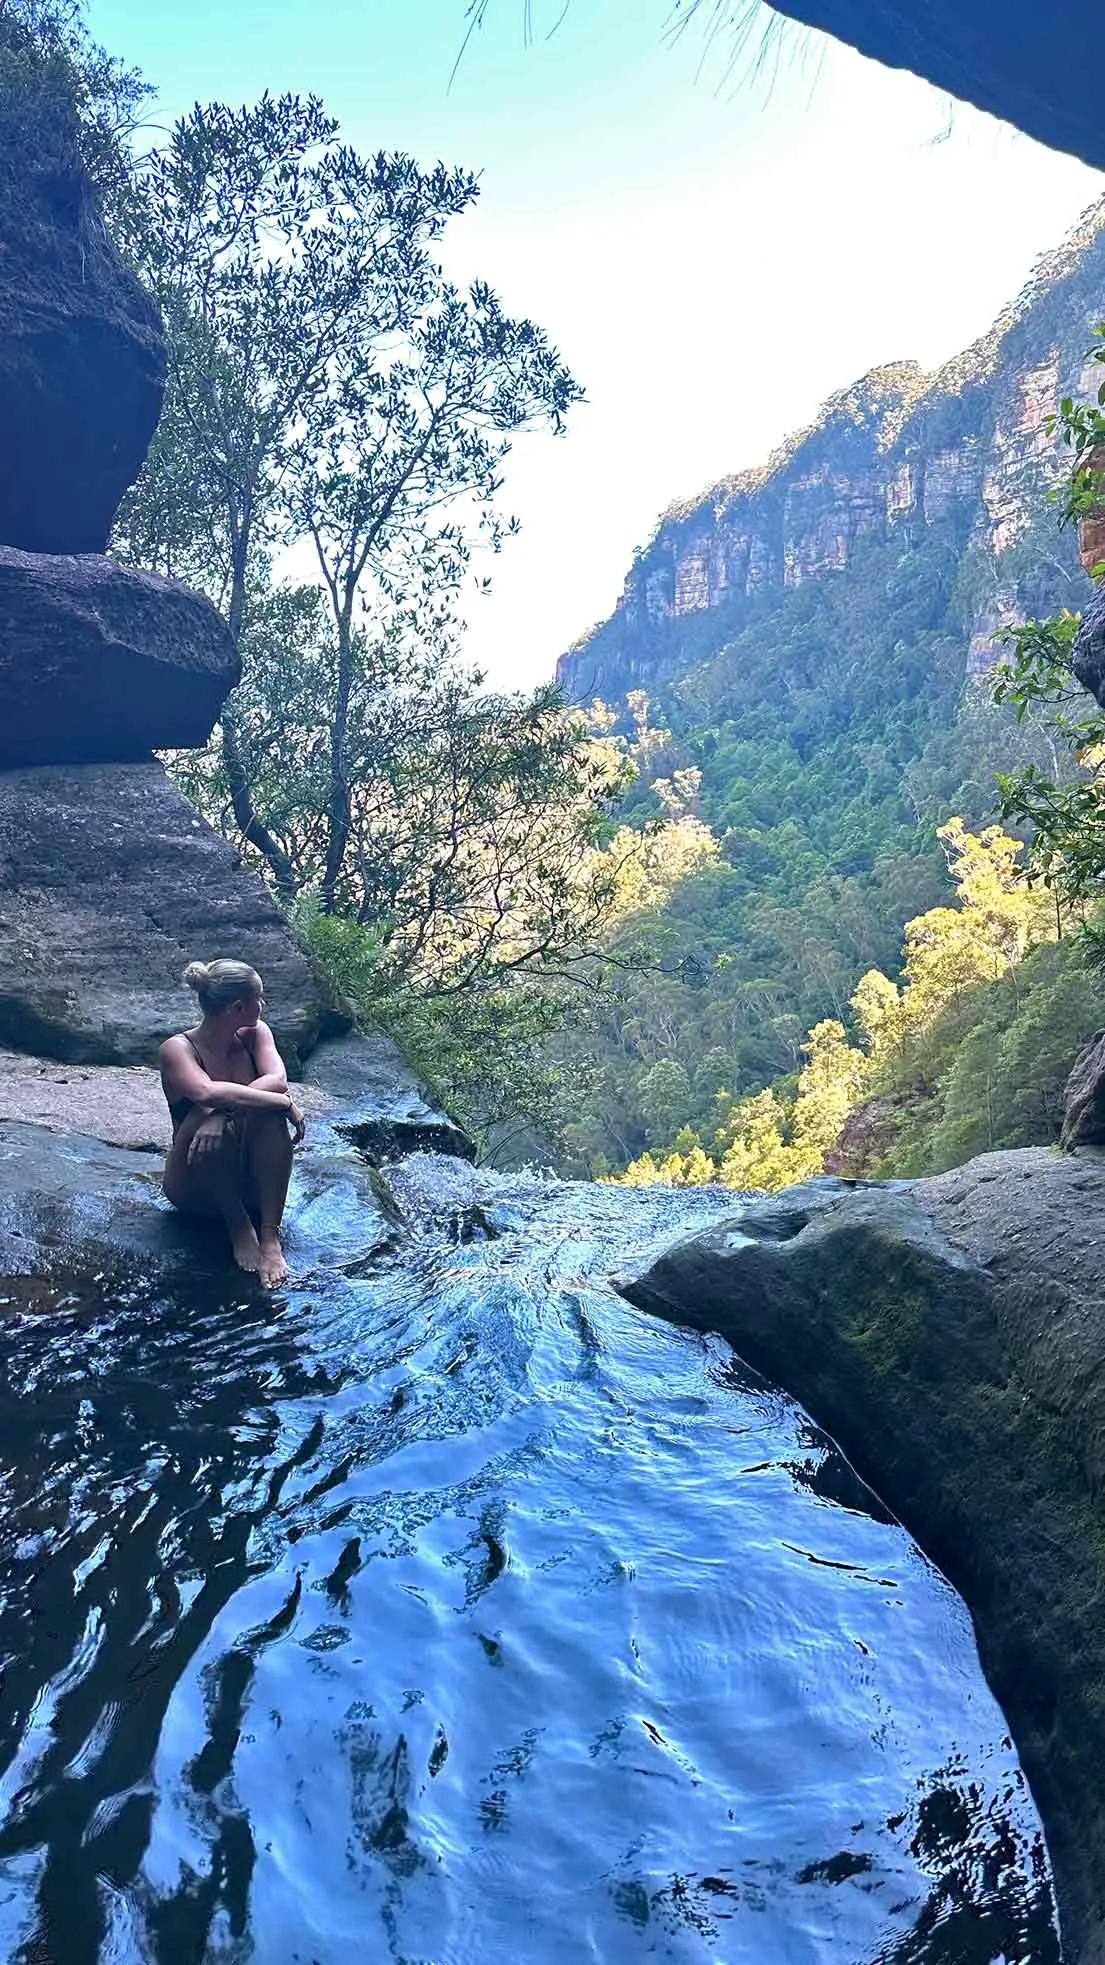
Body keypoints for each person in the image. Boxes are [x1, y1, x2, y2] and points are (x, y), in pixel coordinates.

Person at [159, 960, 306, 1288]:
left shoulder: (257, 1034)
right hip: (195, 1183)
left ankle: (269, 1236)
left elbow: (277, 1079)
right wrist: (282, 1103)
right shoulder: (178, 1049)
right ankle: (239, 1226)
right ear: (239, 1007)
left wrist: (225, 1112)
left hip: (248, 1178)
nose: (263, 1006)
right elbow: (204, 1091)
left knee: (263, 1117)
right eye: (260, 999)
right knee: (204, 1119)